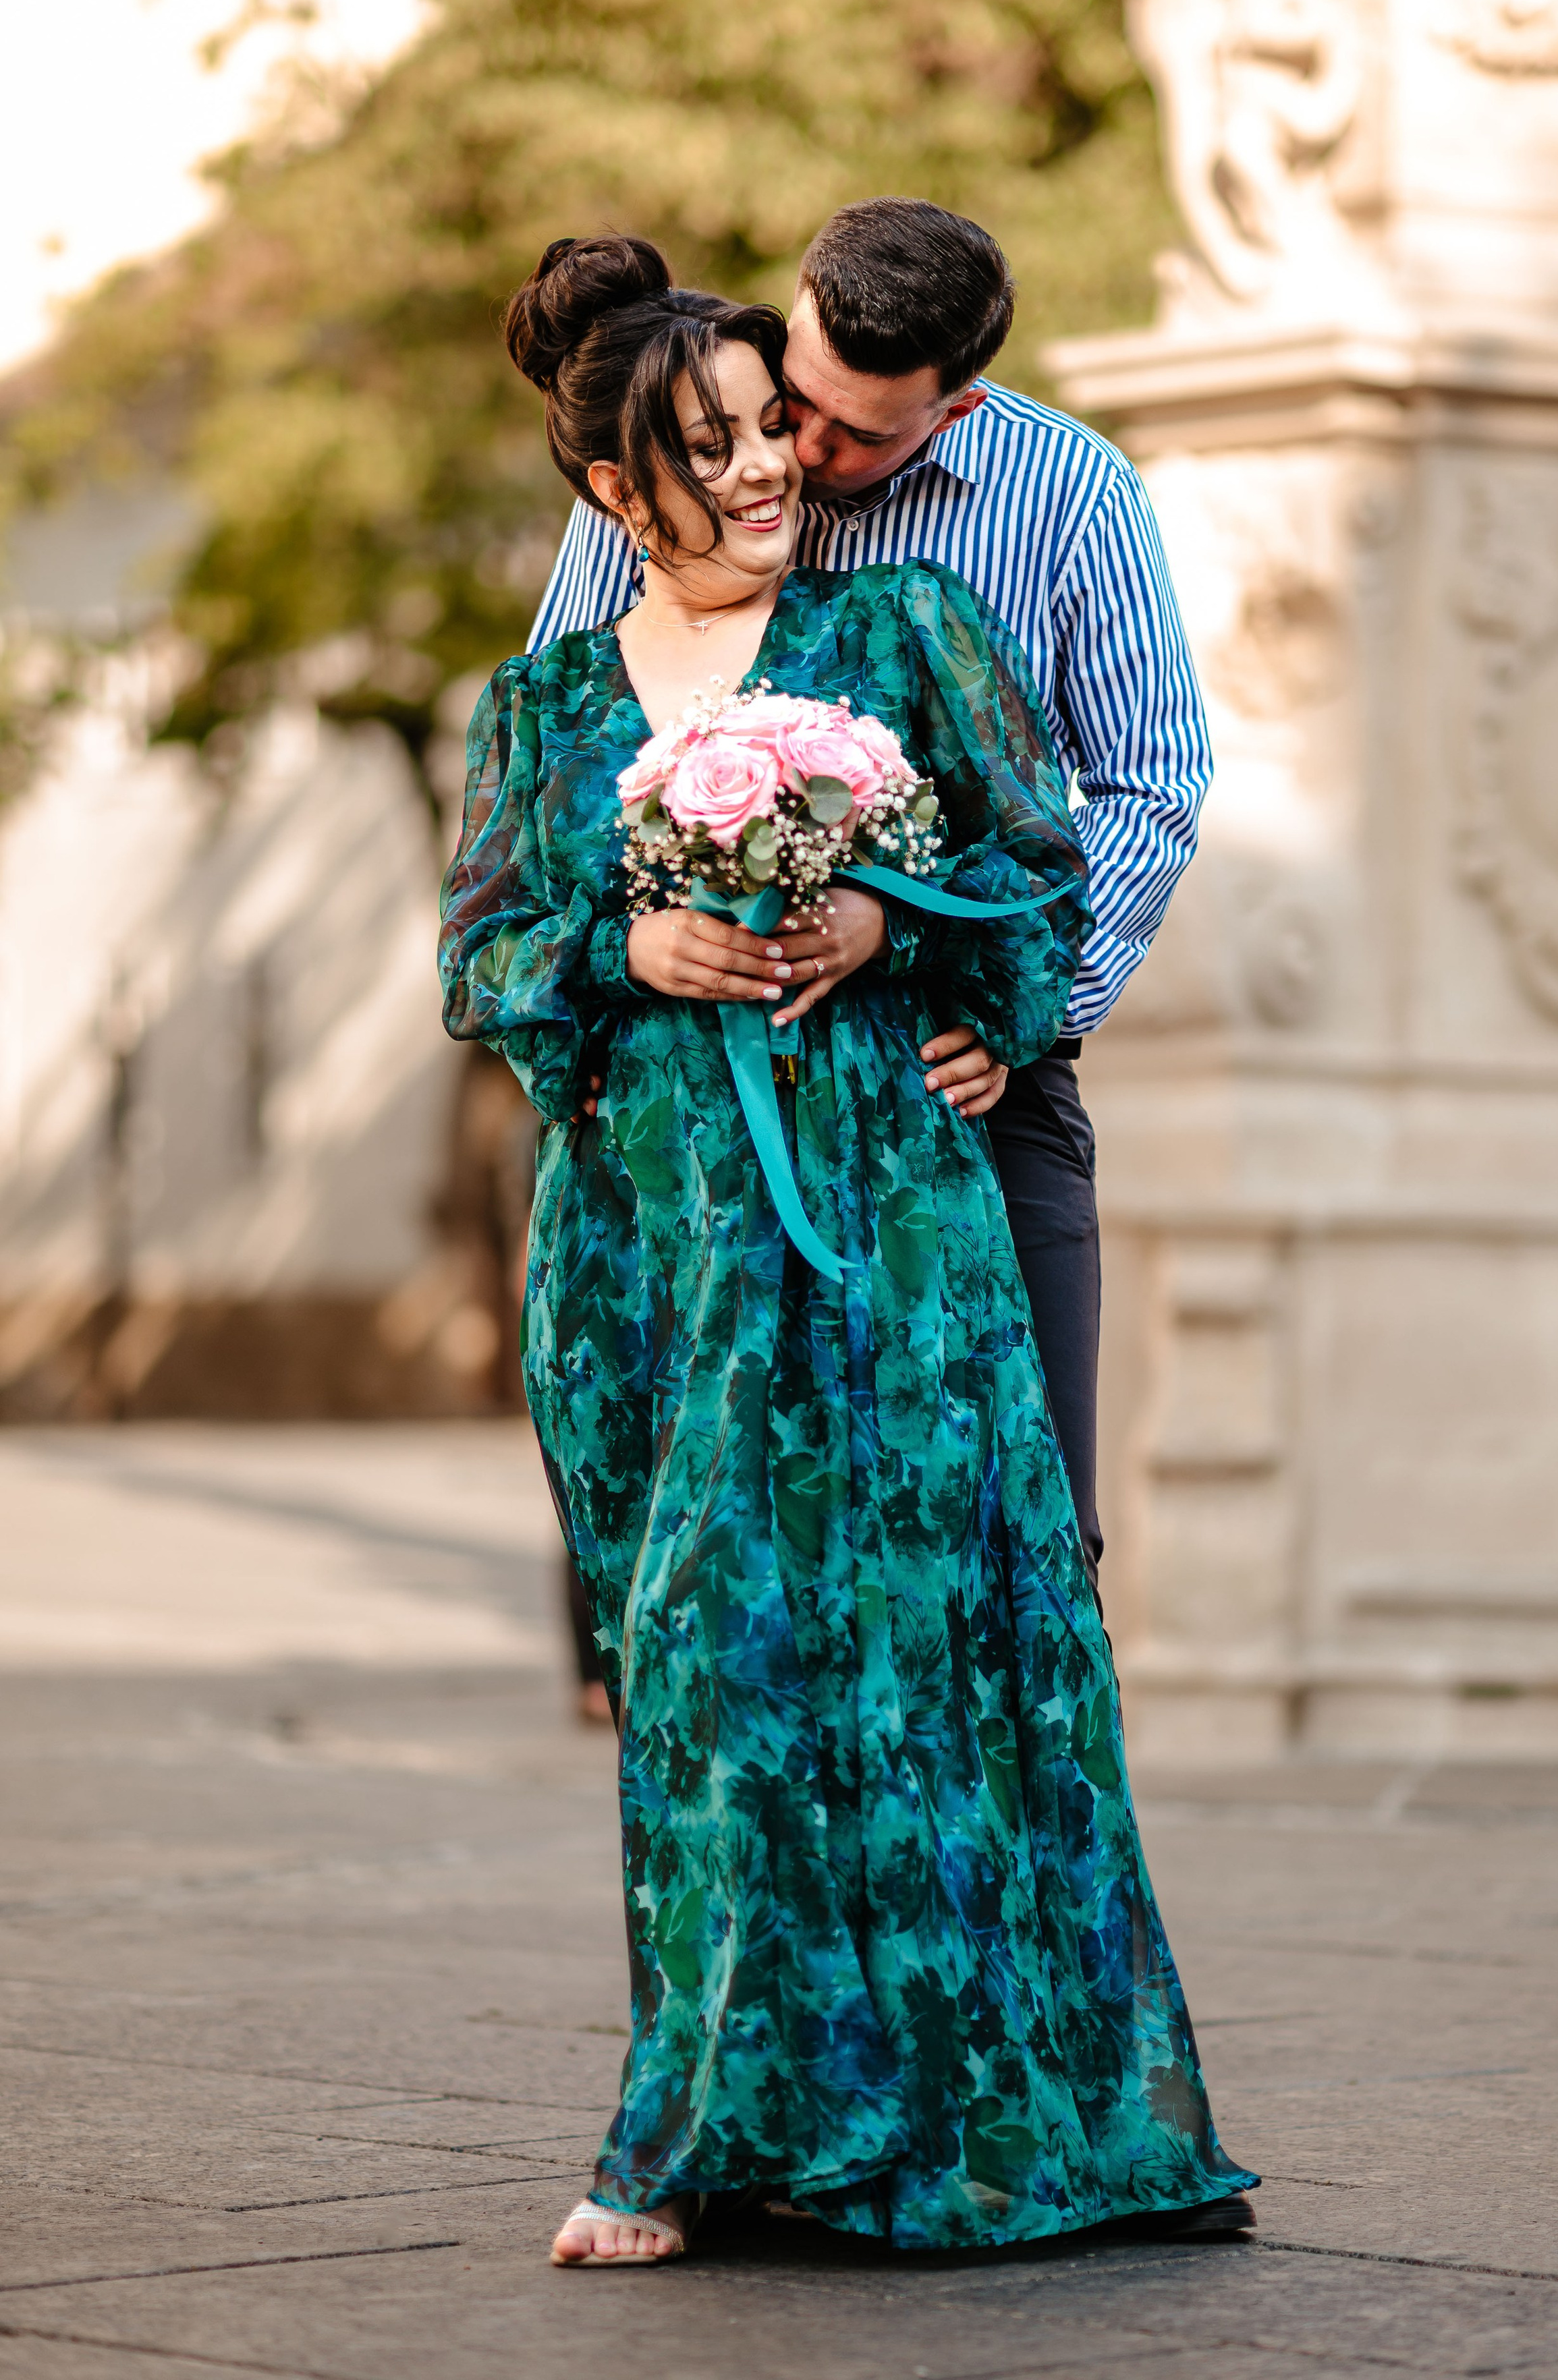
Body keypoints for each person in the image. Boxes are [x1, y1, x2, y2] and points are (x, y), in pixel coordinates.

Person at [439, 233, 1254, 2265]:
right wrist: (626, 943)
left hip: (897, 1216)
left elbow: (1049, 855)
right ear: (615, 490)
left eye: (769, 432)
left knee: (945, 1641)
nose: (766, 467)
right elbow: (484, 956)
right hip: (654, 1251)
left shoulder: (910, 627)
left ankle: (992, 2105)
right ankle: (713, 2123)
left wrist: (907, 930)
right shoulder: (543, 698)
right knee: (704, 1663)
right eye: (715, 444)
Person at [526, 198, 1212, 1586]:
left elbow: (1150, 785)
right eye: (800, 405)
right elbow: (562, 785)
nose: (804, 457)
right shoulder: (682, 447)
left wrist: (1008, 1008)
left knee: (1017, 1545)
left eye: (859, 436)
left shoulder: (1072, 497)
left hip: (963, 1077)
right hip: (708, 1092)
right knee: (733, 1570)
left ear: (956, 407)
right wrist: (625, 965)